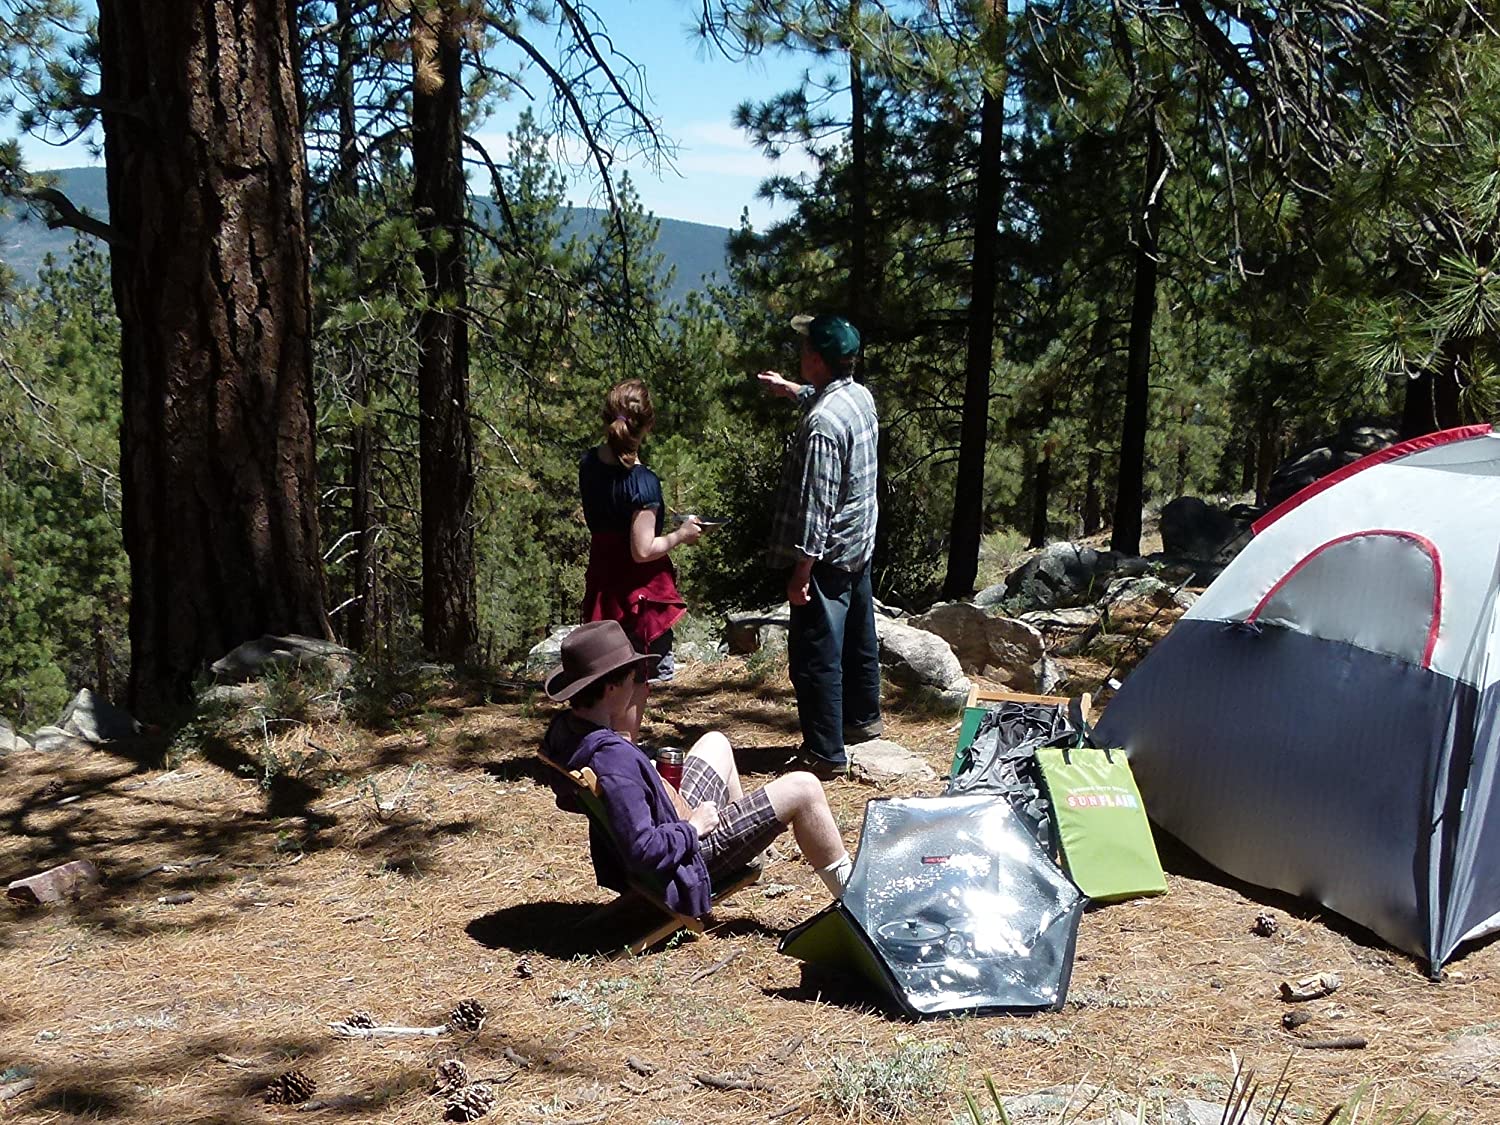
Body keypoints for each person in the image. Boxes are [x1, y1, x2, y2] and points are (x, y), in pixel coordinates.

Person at [540, 620, 855, 919]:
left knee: (716, 742)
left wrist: (645, 781)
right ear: (610, 688)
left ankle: (748, 851)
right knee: (805, 788)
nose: (637, 686)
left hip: (666, 828)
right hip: (684, 860)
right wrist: (693, 827)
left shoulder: (566, 731)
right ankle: (854, 900)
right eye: (632, 677)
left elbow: (585, 800)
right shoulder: (614, 761)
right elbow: (642, 850)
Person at [757, 313, 882, 777]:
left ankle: (825, 752)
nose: (801, 350)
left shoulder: (822, 428)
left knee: (815, 655)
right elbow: (826, 399)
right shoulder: (858, 396)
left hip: (827, 554)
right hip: (859, 543)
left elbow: (816, 508)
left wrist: (800, 572)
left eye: (806, 346)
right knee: (858, 638)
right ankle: (863, 720)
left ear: (816, 359)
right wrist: (792, 390)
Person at [579, 378, 705, 745]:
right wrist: (682, 534)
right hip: (636, 592)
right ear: (648, 425)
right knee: (634, 676)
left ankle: (602, 744)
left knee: (606, 670)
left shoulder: (589, 464)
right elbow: (643, 549)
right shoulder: (642, 483)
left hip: (602, 580)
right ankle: (624, 748)